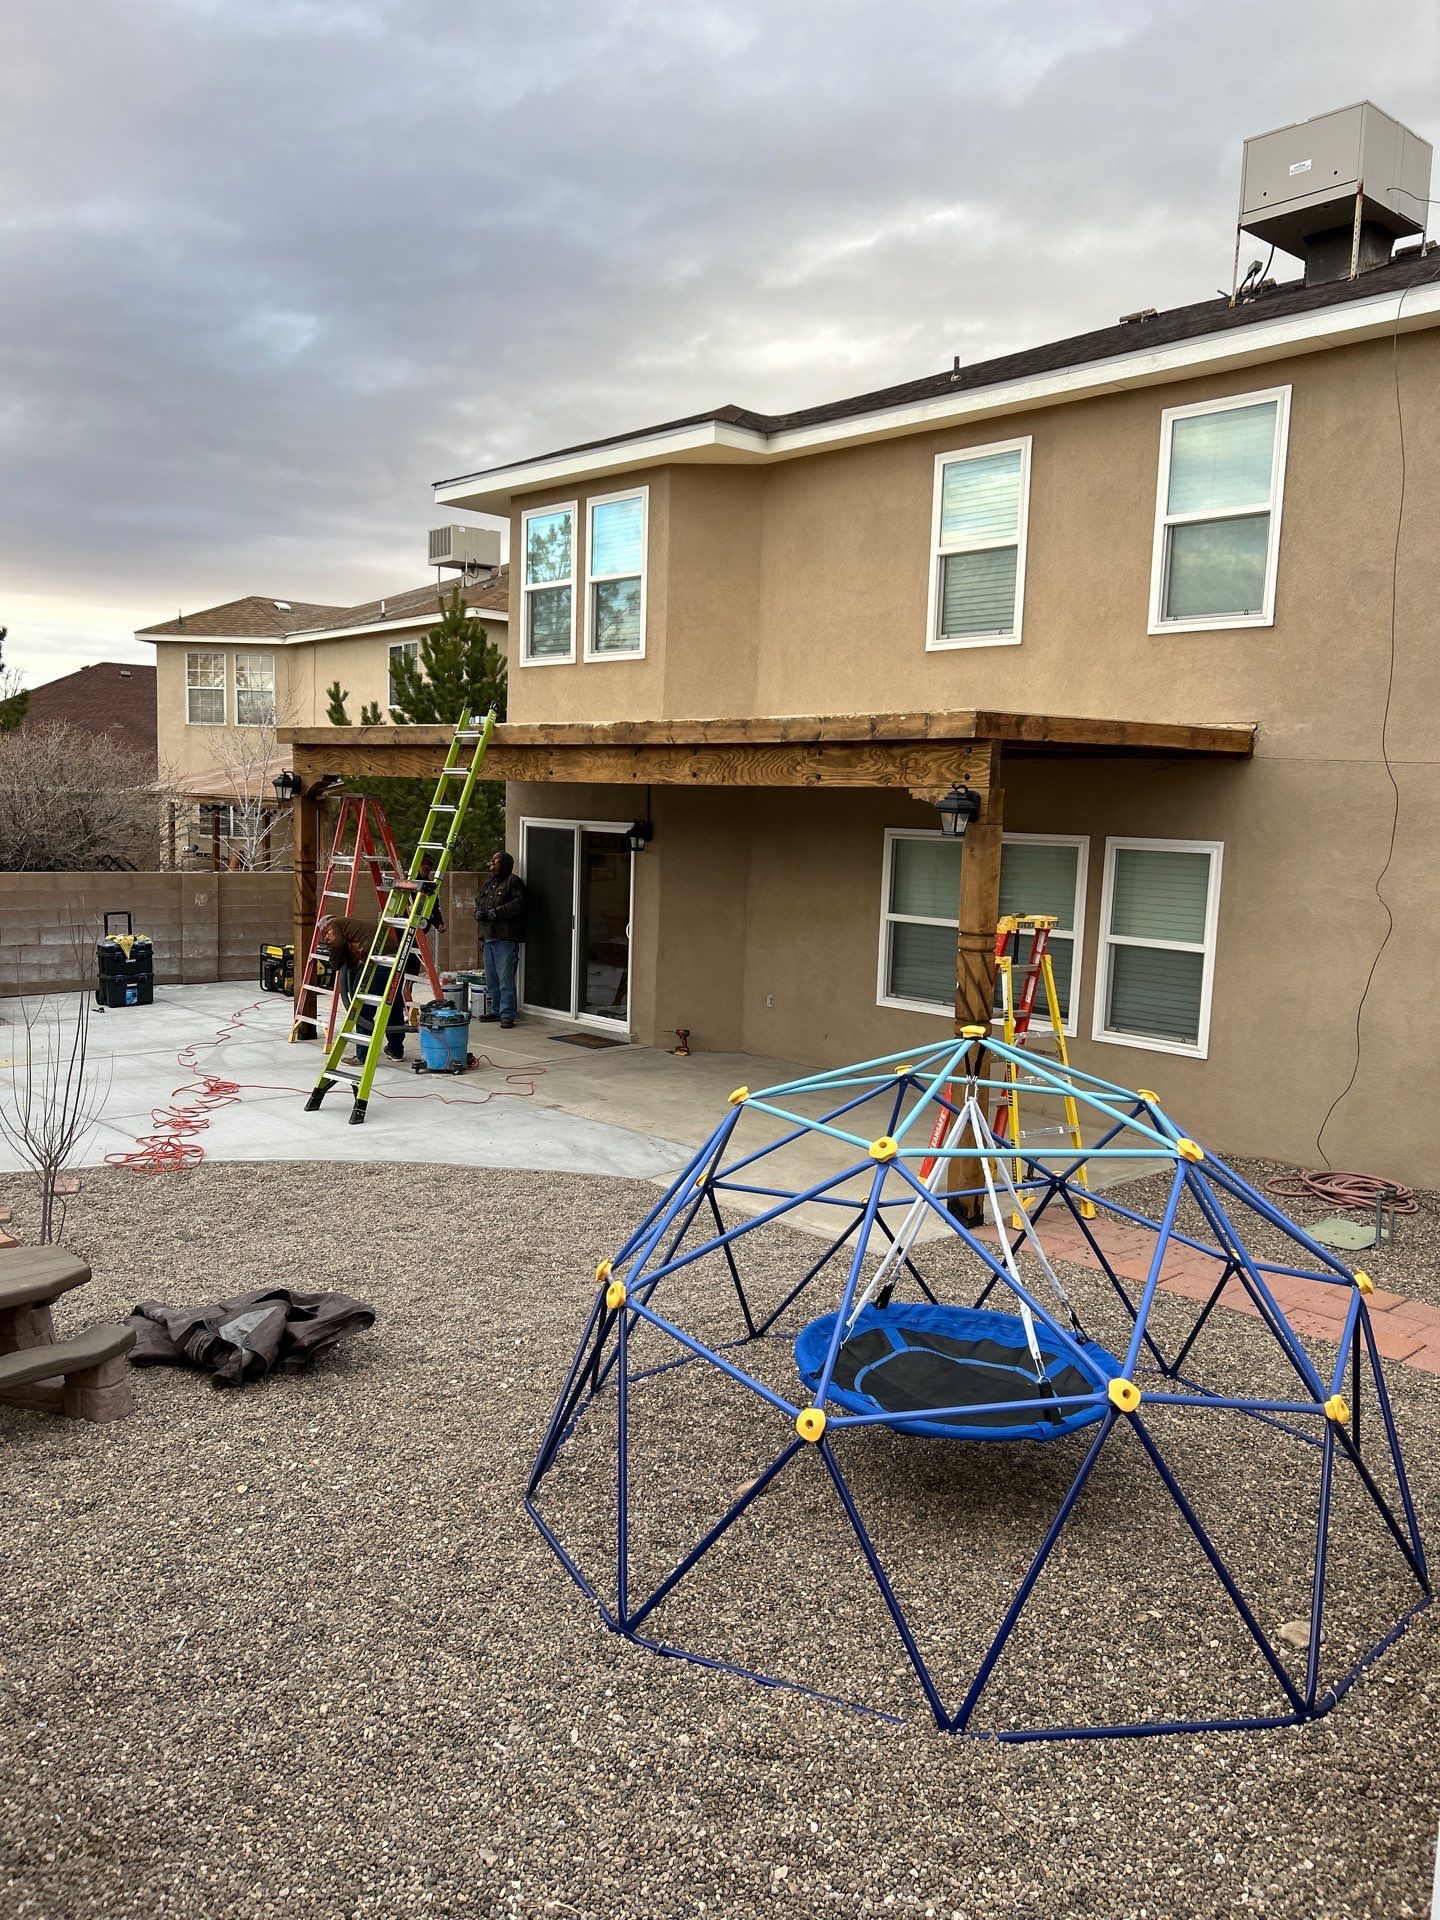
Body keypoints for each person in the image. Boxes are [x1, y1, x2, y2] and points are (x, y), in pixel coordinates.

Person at [315, 913, 410, 1063]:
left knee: (362, 1009)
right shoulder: (351, 928)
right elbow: (352, 955)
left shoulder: (332, 926)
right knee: (392, 1004)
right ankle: (396, 1049)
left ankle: (362, 1056)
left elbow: (336, 944)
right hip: (396, 959)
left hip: (377, 962)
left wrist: (335, 963)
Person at [474, 849, 526, 1030]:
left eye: (495, 861)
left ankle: (507, 1014)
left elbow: (519, 904)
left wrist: (496, 912)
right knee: (492, 979)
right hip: (488, 938)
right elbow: (478, 902)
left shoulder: (514, 882)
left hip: (506, 938)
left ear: (505, 863)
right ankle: (495, 1010)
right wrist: (478, 912)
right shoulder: (488, 884)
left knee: (506, 979)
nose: (491, 863)